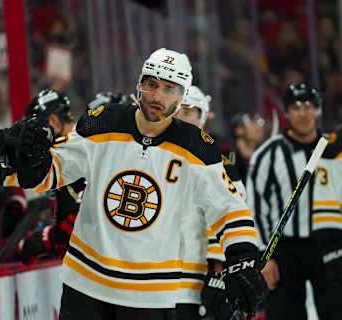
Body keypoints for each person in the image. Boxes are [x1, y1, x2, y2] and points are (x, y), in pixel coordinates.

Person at [15, 48, 266, 319]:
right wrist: (27, 159)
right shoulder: (103, 121)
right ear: (140, 85)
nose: (157, 96)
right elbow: (50, 173)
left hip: (150, 295)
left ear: (181, 97)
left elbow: (229, 210)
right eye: (152, 84)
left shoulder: (197, 147)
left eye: (169, 89)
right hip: (84, 285)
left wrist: (242, 258)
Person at [247, 83, 342, 320]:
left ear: (318, 110)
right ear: (286, 112)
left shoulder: (334, 150)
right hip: (284, 249)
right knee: (284, 314)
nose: (303, 113)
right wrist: (264, 256)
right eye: (296, 107)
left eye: (309, 106)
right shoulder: (268, 154)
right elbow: (255, 208)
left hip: (329, 245)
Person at [174, 85, 245, 320]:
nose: (179, 118)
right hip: (151, 277)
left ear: (202, 117)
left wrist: (219, 265)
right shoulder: (154, 153)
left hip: (194, 279)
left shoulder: (219, 160)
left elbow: (229, 212)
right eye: (175, 111)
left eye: (187, 112)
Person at [13, 89, 84, 263]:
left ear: (54, 122)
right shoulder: (64, 155)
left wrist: (50, 237)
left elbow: (91, 215)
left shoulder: (83, 150)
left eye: (36, 129)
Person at [231, 113, 265, 183]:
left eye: (259, 124)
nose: (258, 127)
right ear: (238, 130)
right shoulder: (228, 157)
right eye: (251, 124)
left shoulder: (265, 157)